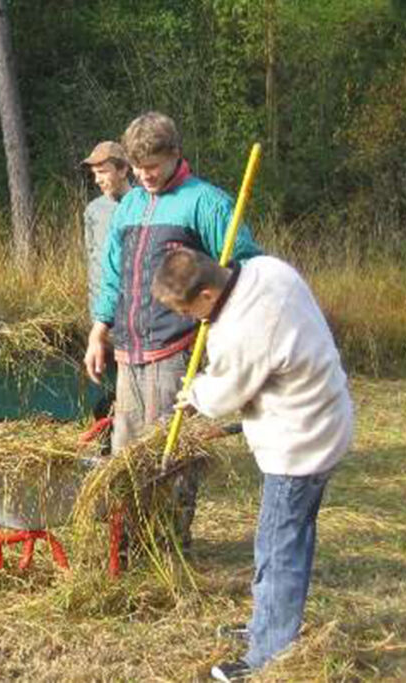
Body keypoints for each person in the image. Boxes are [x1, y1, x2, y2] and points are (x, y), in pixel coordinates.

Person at [151, 248, 354, 682]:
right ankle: (269, 624)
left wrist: (195, 394)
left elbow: (223, 396)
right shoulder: (265, 268)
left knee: (279, 547)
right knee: (288, 535)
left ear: (207, 295)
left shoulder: (242, 331)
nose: (190, 319)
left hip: (302, 441)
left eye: (187, 310)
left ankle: (269, 651)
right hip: (323, 412)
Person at [82, 111, 263, 544]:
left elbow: (247, 266)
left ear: (175, 155)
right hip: (129, 352)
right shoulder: (129, 205)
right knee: (127, 457)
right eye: (139, 168)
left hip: (178, 347)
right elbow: (113, 274)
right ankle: (128, 544)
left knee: (171, 457)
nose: (145, 176)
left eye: (153, 167)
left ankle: (169, 546)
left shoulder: (206, 203)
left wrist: (224, 321)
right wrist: (98, 329)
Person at [82, 140, 132, 322]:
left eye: (103, 172)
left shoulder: (144, 205)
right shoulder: (93, 210)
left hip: (137, 315)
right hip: (101, 316)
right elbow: (92, 259)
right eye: (95, 174)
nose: (97, 180)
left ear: (123, 170)